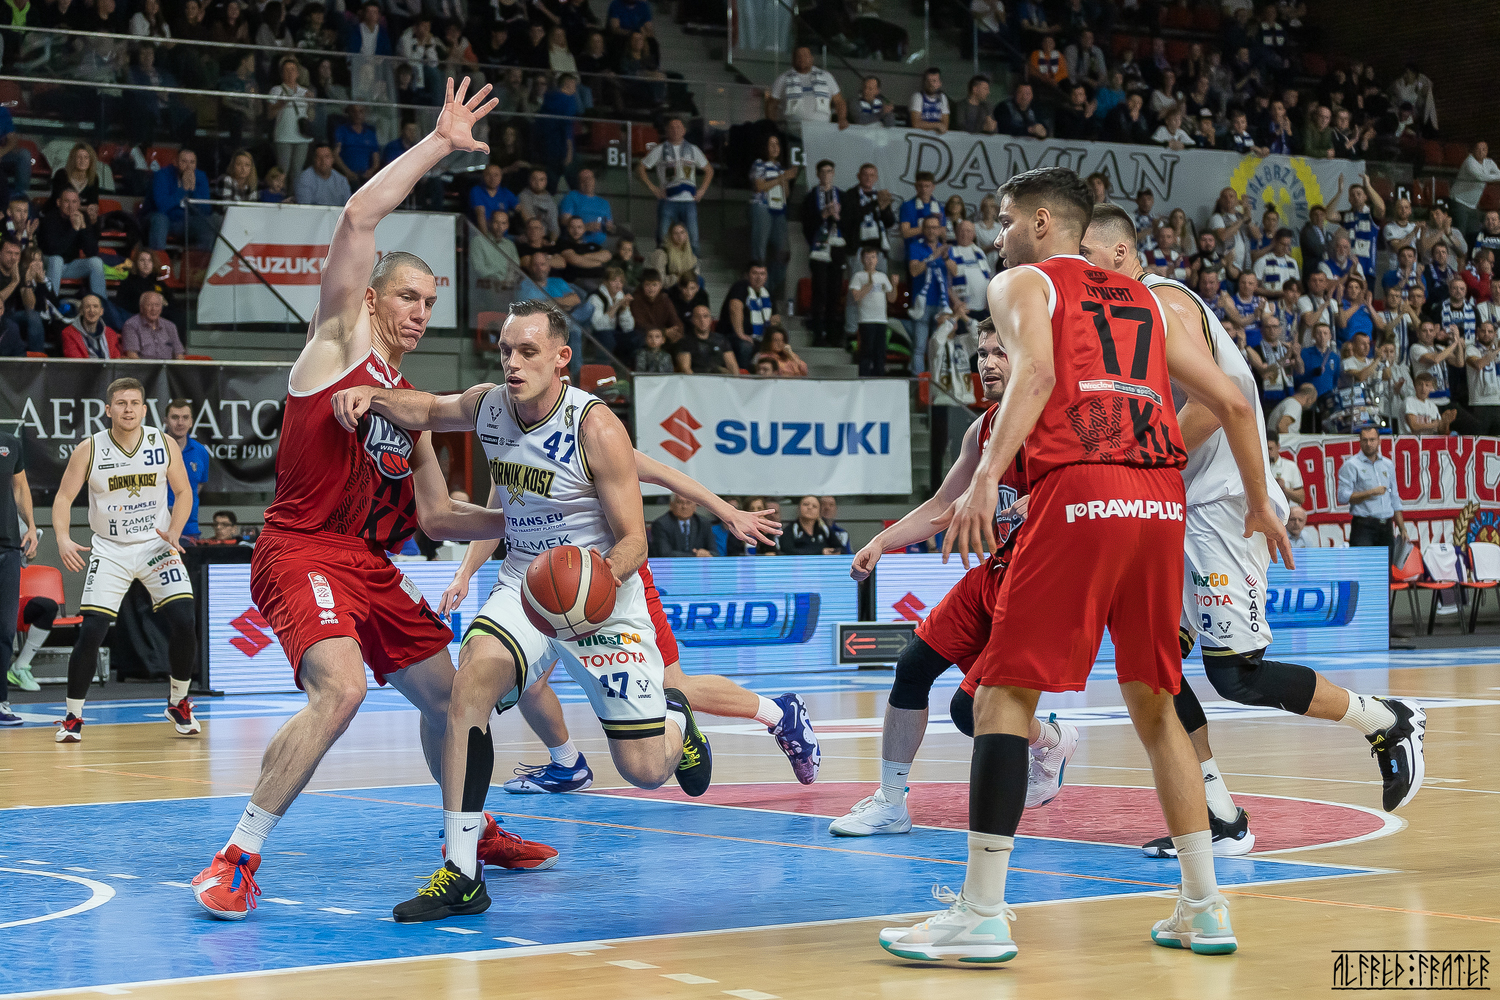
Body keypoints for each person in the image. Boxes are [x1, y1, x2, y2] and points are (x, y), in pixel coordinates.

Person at [880, 168, 1289, 964]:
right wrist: (1260, 502)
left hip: (1082, 487)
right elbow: (1237, 403)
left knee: (1001, 695)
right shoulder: (1147, 299)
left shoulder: (1022, 283)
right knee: (1156, 703)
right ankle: (1204, 907)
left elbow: (1034, 374)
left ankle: (981, 913)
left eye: (1004, 221)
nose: (996, 236)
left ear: (1042, 223)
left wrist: (989, 473)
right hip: (1161, 498)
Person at [190, 80, 557, 922]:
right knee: (344, 690)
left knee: (456, 697)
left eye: (430, 302)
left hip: (371, 566)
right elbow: (358, 216)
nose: (420, 312)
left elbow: (439, 517)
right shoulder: (336, 342)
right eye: (407, 296)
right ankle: (237, 856)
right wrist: (439, 143)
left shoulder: (406, 403)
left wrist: (536, 519)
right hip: (300, 550)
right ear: (369, 299)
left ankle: (470, 831)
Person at [333, 299, 719, 921]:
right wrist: (371, 396)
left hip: (600, 591)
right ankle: (463, 871)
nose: (512, 363)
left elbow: (634, 541)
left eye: (527, 352)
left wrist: (596, 580)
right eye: (506, 351)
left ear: (561, 359)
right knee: (467, 688)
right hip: (525, 582)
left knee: (646, 769)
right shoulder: (490, 405)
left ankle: (676, 716)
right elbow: (428, 409)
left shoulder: (595, 427)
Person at [1083, 205, 1427, 863]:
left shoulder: (1161, 304)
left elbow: (1215, 408)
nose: (1081, 276)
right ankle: (1218, 815)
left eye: (1088, 261)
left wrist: (1129, 464)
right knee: (1149, 664)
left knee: (1235, 675)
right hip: (1180, 506)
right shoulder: (1126, 318)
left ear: (1120, 255)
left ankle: (1386, 719)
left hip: (1224, 506)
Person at [830, 324, 1078, 838]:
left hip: (1045, 586)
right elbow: (943, 505)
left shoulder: (1060, 419)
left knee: (970, 711)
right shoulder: (981, 430)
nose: (988, 363)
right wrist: (882, 542)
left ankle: (1050, 740)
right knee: (911, 667)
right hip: (996, 572)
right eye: (982, 354)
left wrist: (1046, 498)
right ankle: (891, 802)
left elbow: (1096, 490)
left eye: (1000, 352)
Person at [50, 378, 197, 743]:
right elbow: (63, 498)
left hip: (156, 545)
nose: (128, 409)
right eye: (121, 403)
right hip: (110, 548)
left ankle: (178, 702)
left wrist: (175, 531)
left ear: (144, 410)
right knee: (93, 630)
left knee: (184, 619)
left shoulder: (162, 443)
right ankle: (73, 716)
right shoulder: (90, 449)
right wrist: (63, 538)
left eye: (134, 403)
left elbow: (183, 491)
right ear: (108, 409)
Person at [0, 421, 38, 724]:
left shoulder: (9, 443)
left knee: (4, 630)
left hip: (8, 548)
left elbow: (20, 486)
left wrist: (32, 527)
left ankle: (1, 701)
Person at [636, 117, 712, 255]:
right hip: (668, 200)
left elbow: (709, 170)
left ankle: (693, 268)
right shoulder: (660, 149)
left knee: (693, 240)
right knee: (663, 239)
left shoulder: (693, 149)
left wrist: (702, 190)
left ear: (684, 130)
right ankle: (663, 266)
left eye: (678, 127)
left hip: (689, 201)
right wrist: (653, 188)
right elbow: (640, 168)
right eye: (672, 127)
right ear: (667, 131)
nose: (675, 130)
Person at [1339, 426, 1407, 555]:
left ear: (1379, 441)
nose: (1369, 444)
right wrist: (1370, 493)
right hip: (1363, 526)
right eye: (1365, 440)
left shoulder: (1387, 464)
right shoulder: (1351, 465)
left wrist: (1402, 528)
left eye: (1372, 440)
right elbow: (1342, 497)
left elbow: (1395, 498)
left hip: (1386, 525)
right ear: (1360, 442)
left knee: (1386, 566)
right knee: (1365, 566)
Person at [802, 159, 846, 348]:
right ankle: (818, 333)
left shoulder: (842, 196)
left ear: (833, 173)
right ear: (818, 175)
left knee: (835, 291)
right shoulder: (811, 197)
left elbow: (850, 223)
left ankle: (833, 334)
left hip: (837, 247)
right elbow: (806, 223)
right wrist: (823, 215)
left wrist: (838, 217)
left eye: (829, 171)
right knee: (819, 290)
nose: (826, 175)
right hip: (819, 248)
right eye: (823, 172)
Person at [749, 135, 796, 303]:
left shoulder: (780, 168)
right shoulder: (759, 164)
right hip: (762, 207)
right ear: (765, 147)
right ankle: (757, 289)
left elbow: (786, 194)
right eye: (771, 144)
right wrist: (782, 178)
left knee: (784, 253)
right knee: (759, 251)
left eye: (777, 144)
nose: (775, 147)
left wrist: (786, 178)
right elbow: (759, 186)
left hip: (779, 209)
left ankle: (767, 287)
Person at [906, 215, 954, 376]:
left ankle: (937, 381)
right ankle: (919, 383)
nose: (932, 231)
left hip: (942, 304)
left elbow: (955, 272)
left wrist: (945, 257)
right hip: (923, 304)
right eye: (928, 227)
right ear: (923, 230)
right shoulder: (915, 246)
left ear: (940, 230)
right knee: (919, 346)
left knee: (939, 345)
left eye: (935, 227)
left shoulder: (947, 249)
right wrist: (933, 256)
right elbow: (914, 271)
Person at [39, 189, 107, 301]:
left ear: (79, 204)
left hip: (69, 266)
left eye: (74, 202)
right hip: (48, 265)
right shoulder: (49, 219)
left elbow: (92, 252)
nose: (71, 206)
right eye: (67, 201)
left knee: (96, 262)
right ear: (58, 202)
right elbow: (55, 250)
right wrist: (74, 230)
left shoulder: (82, 217)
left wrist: (83, 228)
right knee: (57, 260)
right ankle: (50, 304)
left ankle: (100, 304)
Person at [164, 398, 210, 542]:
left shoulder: (201, 451)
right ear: (166, 421)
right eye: (175, 417)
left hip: (189, 529)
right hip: (158, 528)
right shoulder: (154, 449)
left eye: (185, 418)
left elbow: (198, 486)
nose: (180, 422)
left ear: (191, 422)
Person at [147, 149, 212, 250]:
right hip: (166, 219)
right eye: (184, 161)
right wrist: (183, 190)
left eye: (192, 162)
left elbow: (206, 210)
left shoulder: (200, 177)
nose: (188, 166)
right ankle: (158, 257)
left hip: (187, 221)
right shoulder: (162, 175)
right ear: (175, 162)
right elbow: (161, 207)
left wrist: (193, 190)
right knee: (160, 219)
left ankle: (200, 259)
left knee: (208, 224)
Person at [719, 262, 777, 371]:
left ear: (766, 277)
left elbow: (775, 318)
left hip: (758, 337)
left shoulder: (768, 293)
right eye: (755, 273)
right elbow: (735, 308)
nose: (759, 277)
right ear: (747, 275)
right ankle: (743, 376)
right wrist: (740, 334)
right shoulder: (740, 287)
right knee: (745, 346)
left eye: (762, 274)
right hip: (732, 336)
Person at [849, 245, 895, 376]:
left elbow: (891, 298)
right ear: (862, 260)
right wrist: (867, 286)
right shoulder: (858, 276)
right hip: (866, 320)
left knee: (880, 352)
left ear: (877, 260)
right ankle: (863, 378)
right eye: (867, 258)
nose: (870, 261)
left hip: (881, 320)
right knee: (866, 352)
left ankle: (879, 378)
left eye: (873, 257)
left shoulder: (882, 276)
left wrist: (895, 284)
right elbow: (856, 297)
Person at [557, 168, 613, 248]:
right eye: (583, 179)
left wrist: (609, 227)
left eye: (590, 178)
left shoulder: (604, 203)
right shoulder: (571, 197)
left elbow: (610, 225)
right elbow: (564, 221)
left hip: (600, 245)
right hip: (577, 243)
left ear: (594, 181)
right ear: (578, 182)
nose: (587, 181)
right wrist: (585, 227)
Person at [121, 292, 185, 360]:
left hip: (167, 366)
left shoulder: (170, 326)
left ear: (161, 309)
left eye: (157, 305)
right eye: (149, 305)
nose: (153, 309)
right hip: (144, 366)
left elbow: (179, 354)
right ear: (141, 308)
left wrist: (178, 364)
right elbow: (132, 356)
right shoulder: (131, 325)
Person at [676, 303, 738, 374]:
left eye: (705, 316)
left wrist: (735, 379)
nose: (702, 320)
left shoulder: (721, 340)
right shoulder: (685, 342)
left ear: (710, 319)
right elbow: (686, 369)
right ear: (692, 320)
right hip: (697, 378)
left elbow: (732, 365)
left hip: (720, 378)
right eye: (698, 317)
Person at [629, 268, 682, 345]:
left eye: (654, 285)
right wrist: (663, 332)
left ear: (660, 286)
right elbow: (639, 324)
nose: (651, 288)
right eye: (648, 285)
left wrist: (676, 330)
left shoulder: (665, 300)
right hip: (646, 336)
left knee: (681, 340)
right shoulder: (636, 300)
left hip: (662, 337)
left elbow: (675, 319)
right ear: (642, 286)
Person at [650, 492, 714, 556]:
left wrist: (706, 553)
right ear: (671, 505)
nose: (684, 506)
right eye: (679, 502)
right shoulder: (661, 524)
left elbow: (714, 552)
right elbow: (664, 553)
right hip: (672, 562)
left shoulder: (704, 523)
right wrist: (695, 555)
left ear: (695, 506)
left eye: (688, 502)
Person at [60, 294, 121, 359]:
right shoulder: (69, 333)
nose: (91, 310)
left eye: (95, 306)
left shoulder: (111, 333)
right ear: (81, 311)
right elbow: (76, 362)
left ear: (101, 311)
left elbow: (116, 360)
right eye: (87, 307)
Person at [468, 164, 519, 232]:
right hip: (483, 234)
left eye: (496, 175)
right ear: (483, 176)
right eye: (488, 175)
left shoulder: (505, 192)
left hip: (503, 235)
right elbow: (480, 215)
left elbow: (520, 208)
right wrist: (486, 237)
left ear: (501, 177)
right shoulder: (477, 191)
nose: (492, 178)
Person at [1266, 429, 1304, 504]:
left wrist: (1284, 489)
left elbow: (1301, 498)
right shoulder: (1259, 468)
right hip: (1266, 506)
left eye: (1271, 449)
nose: (1268, 452)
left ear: (1278, 446)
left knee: (1297, 510)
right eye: (1266, 449)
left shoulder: (1290, 466)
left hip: (1287, 507)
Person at [908, 67, 950, 133]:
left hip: (937, 137)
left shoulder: (942, 98)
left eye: (934, 81)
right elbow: (916, 124)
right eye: (928, 81)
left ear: (940, 83)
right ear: (924, 82)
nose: (931, 84)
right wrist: (937, 125)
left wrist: (926, 126)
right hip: (919, 136)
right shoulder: (918, 96)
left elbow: (945, 126)